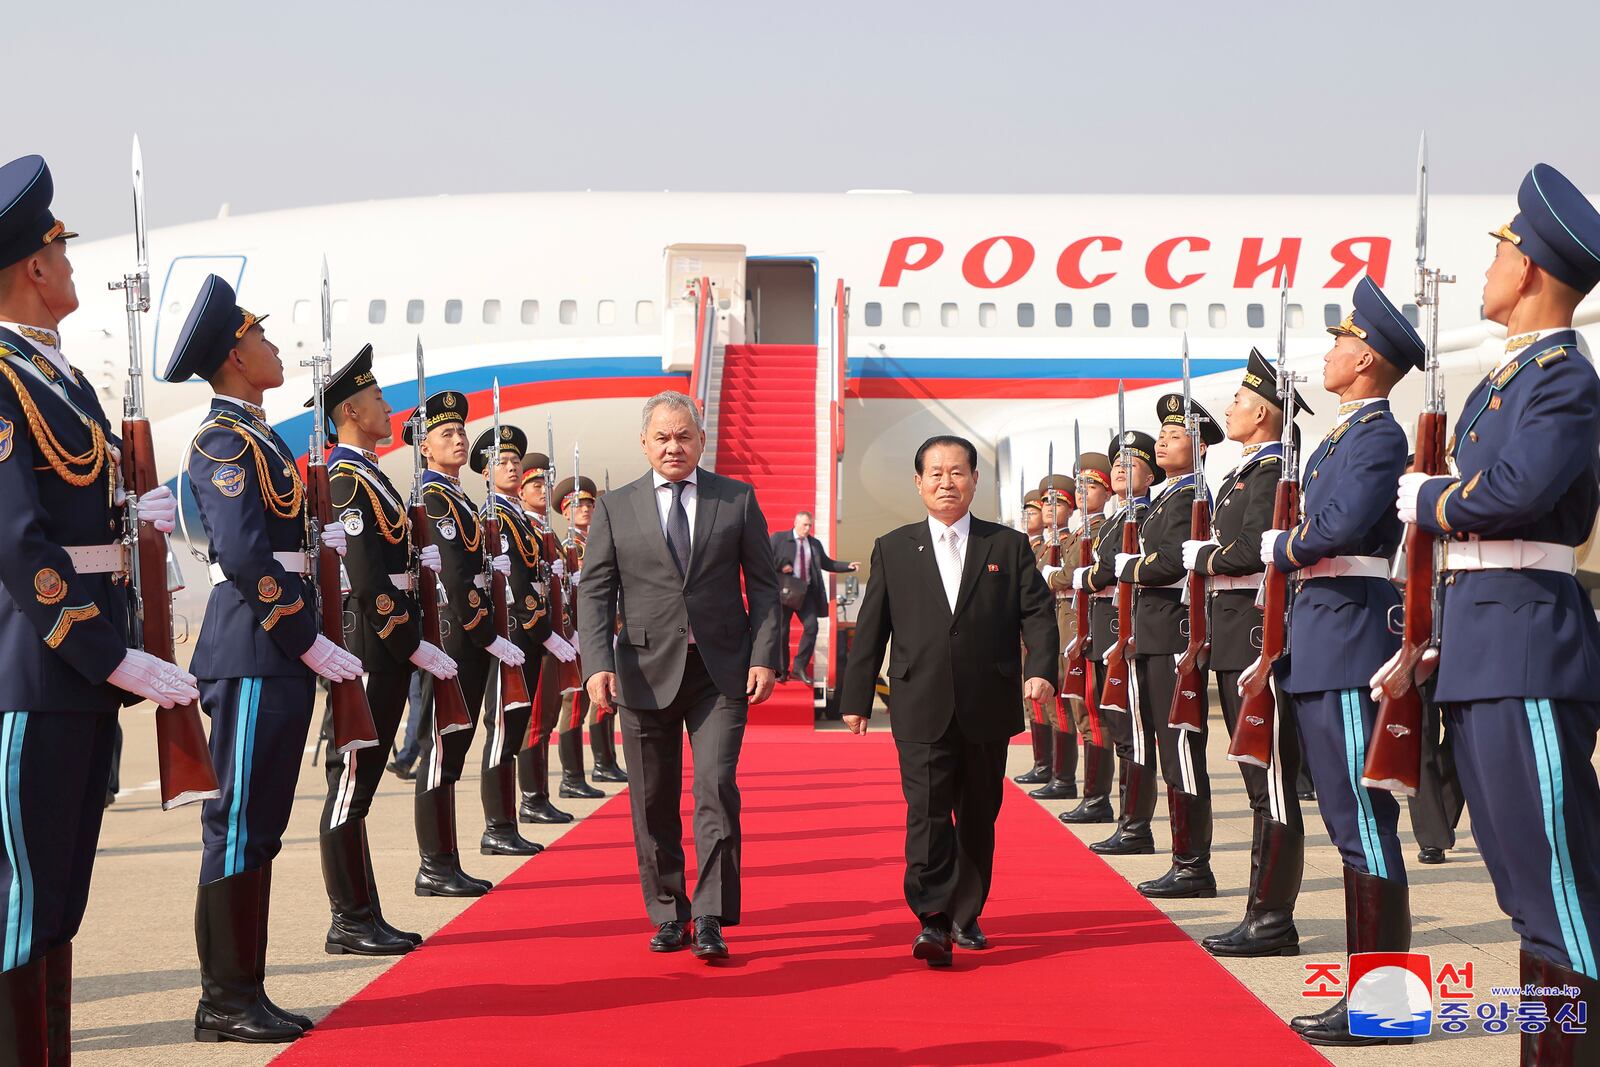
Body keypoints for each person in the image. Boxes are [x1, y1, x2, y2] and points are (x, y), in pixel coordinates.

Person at [1400, 163, 1600, 1065]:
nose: (1488, 266)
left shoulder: (1561, 379)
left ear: (1531, 273)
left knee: (1561, 883)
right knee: (1523, 884)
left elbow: (1516, 490)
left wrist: (1431, 497)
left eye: (1501, 250)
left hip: (1526, 642)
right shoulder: (1505, 380)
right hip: (1483, 640)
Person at [0, 154, 196, 1062]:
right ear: (33, 269)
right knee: (22, 902)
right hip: (37, 671)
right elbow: (17, 543)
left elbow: (78, 508)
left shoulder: (65, 380)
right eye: (62, 252)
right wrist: (105, 652)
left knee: (63, 900)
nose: (75, 266)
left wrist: (134, 515)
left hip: (79, 677)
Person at [163, 273, 363, 1042]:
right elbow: (246, 555)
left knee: (263, 824)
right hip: (253, 650)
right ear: (237, 357)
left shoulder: (260, 437)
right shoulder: (223, 441)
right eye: (263, 337)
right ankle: (224, 997)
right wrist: (304, 636)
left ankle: (245, 985)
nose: (276, 347)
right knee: (238, 823)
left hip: (274, 652)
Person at [1264, 276, 1418, 1047]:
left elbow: (1343, 523)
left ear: (1365, 358)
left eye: (1337, 344)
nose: (1326, 355)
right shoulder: (1342, 434)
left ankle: (1385, 1004)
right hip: (1324, 637)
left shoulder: (1377, 436)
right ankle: (1375, 997)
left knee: (1364, 822)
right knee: (1349, 822)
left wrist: (1286, 545)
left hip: (1351, 640)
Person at [579, 390, 781, 961]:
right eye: (663, 437)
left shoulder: (736, 499)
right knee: (652, 797)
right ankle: (669, 912)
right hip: (641, 670)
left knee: (715, 788)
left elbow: (764, 587)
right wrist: (595, 664)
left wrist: (765, 655)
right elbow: (595, 591)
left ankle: (712, 914)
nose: (674, 446)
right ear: (645, 443)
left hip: (720, 671)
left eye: (684, 436)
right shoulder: (617, 507)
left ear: (701, 440)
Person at [840, 434, 1057, 967]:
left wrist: (1041, 672)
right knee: (928, 813)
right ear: (918, 483)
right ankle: (933, 919)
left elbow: (1039, 614)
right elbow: (872, 627)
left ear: (975, 480)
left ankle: (967, 912)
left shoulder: (1005, 545)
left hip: (987, 699)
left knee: (979, 812)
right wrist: (858, 696)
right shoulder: (894, 547)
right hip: (919, 699)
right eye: (934, 473)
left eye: (957, 472)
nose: (946, 482)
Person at [312, 345, 460, 957]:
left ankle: (364, 909)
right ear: (349, 408)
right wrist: (411, 642)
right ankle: (349, 917)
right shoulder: (344, 476)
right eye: (377, 399)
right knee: (351, 777)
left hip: (389, 640)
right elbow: (366, 577)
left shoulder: (371, 472)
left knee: (364, 781)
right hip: (370, 642)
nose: (388, 407)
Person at [1188, 349, 1310, 956]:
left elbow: (1252, 549)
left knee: (1273, 783)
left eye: (1237, 401)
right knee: (1258, 779)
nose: (1229, 409)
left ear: (1262, 412)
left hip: (1257, 636)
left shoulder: (1270, 473)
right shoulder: (1246, 471)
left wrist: (1205, 557)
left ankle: (1271, 919)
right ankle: (1262, 912)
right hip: (1235, 632)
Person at [404, 391, 527, 896]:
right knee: (442, 749)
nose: (459, 439)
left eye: (460, 432)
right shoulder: (433, 496)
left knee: (453, 748)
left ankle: (445, 860)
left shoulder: (456, 497)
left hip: (469, 636)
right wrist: (488, 634)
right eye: (446, 434)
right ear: (425, 447)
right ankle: (434, 865)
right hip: (456, 636)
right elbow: (455, 577)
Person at [1116, 395, 1223, 899]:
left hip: (1174, 633)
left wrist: (1129, 567)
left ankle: (1193, 865)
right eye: (1162, 433)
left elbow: (1170, 563)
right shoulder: (1168, 496)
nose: (1162, 440)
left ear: (1199, 446)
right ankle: (1186, 860)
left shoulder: (1189, 497)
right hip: (1155, 631)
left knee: (1181, 748)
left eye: (1176, 435)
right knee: (1168, 744)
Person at [470, 425, 575, 855]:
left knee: (514, 732)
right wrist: (546, 633)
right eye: (504, 463)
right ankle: (497, 827)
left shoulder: (517, 517)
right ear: (486, 472)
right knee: (502, 732)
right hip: (511, 636)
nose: (513, 468)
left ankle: (508, 822)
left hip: (528, 637)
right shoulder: (495, 515)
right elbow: (514, 580)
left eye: (516, 462)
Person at [1078, 432, 1157, 855]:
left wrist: (1086, 578)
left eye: (1134, 463)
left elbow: (1106, 571)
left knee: (1133, 732)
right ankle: (1129, 820)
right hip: (1106, 627)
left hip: (1125, 631)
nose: (1123, 468)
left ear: (1150, 475)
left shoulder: (1143, 514)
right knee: (1117, 726)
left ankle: (1136, 826)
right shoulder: (1115, 518)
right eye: (1119, 463)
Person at [1050, 453, 1116, 824]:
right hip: (1070, 622)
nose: (1081, 491)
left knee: (1092, 712)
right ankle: (1091, 794)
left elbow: (1076, 574)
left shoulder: (1103, 528)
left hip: (1086, 625)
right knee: (1077, 708)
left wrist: (1053, 575)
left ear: (1106, 492)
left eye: (1090, 486)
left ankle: (1097, 798)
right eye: (1079, 485)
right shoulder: (1080, 532)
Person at [515, 453, 577, 825]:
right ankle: (532, 798)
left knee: (549, 716)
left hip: (557, 633)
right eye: (535, 484)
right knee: (535, 720)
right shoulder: (523, 524)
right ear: (521, 491)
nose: (542, 490)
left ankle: (541, 794)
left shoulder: (547, 530)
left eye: (544, 483)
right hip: (536, 634)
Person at [553, 474, 610, 800]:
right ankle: (572, 777)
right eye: (578, 505)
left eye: (589, 504)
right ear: (565, 510)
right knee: (574, 702)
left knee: (596, 698)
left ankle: (602, 763)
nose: (586, 509)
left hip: (596, 631)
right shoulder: (567, 546)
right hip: (574, 634)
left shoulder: (592, 543)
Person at [1028, 475, 1080, 801]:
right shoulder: (1043, 546)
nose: (1049, 507)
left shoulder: (1071, 541)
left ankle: (1064, 778)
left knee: (1064, 701)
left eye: (1057, 502)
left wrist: (1053, 575)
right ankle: (1049, 769)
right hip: (1045, 622)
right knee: (1045, 702)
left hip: (1065, 625)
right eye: (1046, 501)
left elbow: (1066, 578)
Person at [770, 510, 858, 685]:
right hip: (784, 592)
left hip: (806, 592)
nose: (807, 528)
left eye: (810, 525)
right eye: (804, 525)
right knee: (782, 632)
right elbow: (764, 559)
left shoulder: (814, 544)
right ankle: (781, 670)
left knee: (812, 627)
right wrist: (781, 565)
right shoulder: (779, 538)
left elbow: (827, 563)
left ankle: (798, 668)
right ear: (796, 523)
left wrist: (848, 566)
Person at [1013, 490, 1053, 785]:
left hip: (1063, 630)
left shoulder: (1053, 545)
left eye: (1034, 511)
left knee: (1067, 710)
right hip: (1027, 636)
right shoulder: (1031, 547)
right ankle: (1043, 765)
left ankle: (1059, 774)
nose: (1029, 517)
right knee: (1034, 705)